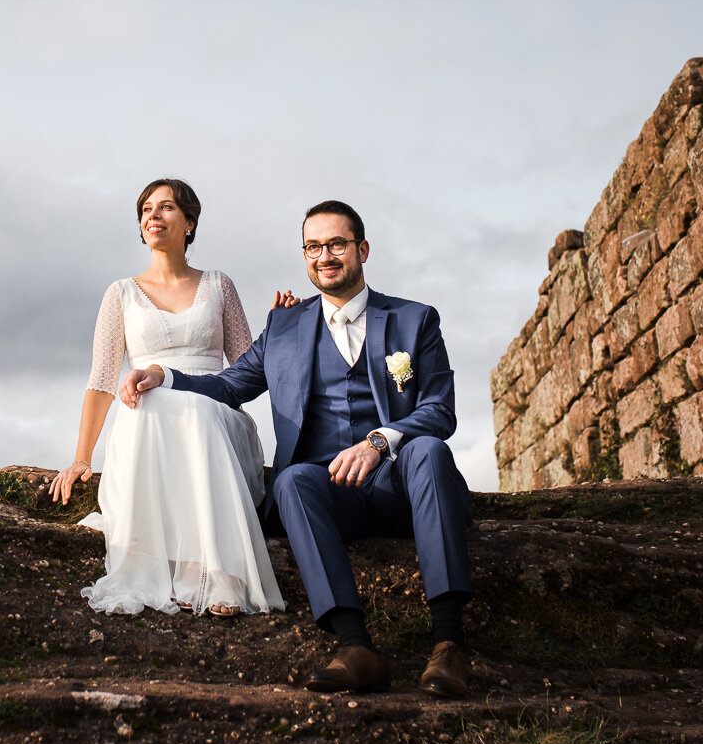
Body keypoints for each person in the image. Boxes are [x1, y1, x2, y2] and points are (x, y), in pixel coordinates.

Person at [121, 200, 474, 697]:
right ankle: (355, 646)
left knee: (429, 451)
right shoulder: (283, 328)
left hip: (403, 484)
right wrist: (165, 375)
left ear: (362, 250)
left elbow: (439, 409)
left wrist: (378, 442)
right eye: (313, 246)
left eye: (336, 244)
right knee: (290, 479)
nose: (324, 255)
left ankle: (448, 645)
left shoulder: (414, 320)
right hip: (332, 494)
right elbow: (231, 385)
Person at [48, 178, 285, 617]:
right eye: (146, 209)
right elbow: (102, 380)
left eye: (167, 207)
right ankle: (163, 565)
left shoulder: (219, 285)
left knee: (196, 407)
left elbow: (250, 367)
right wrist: (82, 457)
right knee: (151, 403)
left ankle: (219, 573)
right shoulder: (120, 293)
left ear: (190, 222)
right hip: (149, 408)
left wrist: (281, 329)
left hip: (214, 408)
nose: (153, 215)